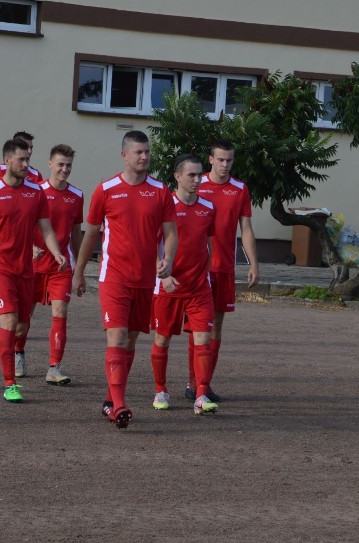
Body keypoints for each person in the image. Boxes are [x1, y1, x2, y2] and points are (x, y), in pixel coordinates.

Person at [72, 130, 177, 429]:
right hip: (113, 277)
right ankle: (118, 405)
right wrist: (79, 273)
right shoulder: (106, 189)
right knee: (116, 337)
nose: (144, 157)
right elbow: (90, 233)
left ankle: (110, 398)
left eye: (147, 152)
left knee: (130, 342)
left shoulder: (160, 191)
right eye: (138, 152)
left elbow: (171, 233)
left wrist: (168, 259)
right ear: (124, 155)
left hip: (145, 281)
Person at [0, 138, 65, 404]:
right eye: (21, 159)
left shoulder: (35, 192)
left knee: (19, 329)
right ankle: (10, 384)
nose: (25, 164)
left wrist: (56, 251)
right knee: (8, 324)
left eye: (28, 159)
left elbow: (45, 228)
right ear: (7, 160)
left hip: (25, 269)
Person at [187, 139, 259, 402]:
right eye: (220, 159)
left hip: (224, 268)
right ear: (210, 159)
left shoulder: (240, 189)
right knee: (196, 327)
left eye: (229, 160)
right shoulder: (196, 184)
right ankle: (192, 383)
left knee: (215, 327)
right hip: (197, 269)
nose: (225, 164)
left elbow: (246, 229)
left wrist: (253, 262)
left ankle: (205, 384)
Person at [149, 154, 218, 415]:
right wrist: (163, 275)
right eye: (191, 175)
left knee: (203, 340)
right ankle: (160, 389)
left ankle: (200, 394)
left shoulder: (208, 208)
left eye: (200, 174)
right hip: (169, 287)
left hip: (199, 289)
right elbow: (151, 245)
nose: (197, 179)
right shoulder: (164, 207)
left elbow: (206, 244)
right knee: (163, 339)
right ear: (177, 177)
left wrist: (208, 274)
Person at [14, 144, 83, 385]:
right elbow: (20, 226)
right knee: (23, 319)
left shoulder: (77, 195)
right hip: (31, 267)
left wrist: (80, 271)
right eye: (60, 164)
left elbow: (76, 235)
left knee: (60, 313)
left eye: (69, 166)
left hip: (60, 268)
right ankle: (18, 353)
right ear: (49, 164)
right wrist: (28, 247)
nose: (65, 170)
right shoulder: (35, 191)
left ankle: (54, 368)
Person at [0, 131, 42, 339]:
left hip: (24, 254)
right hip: (0, 250)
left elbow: (34, 216)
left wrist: (33, 245)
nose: (28, 153)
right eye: (24, 148)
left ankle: (18, 332)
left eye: (30, 150)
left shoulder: (35, 177)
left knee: (19, 321)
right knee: (8, 318)